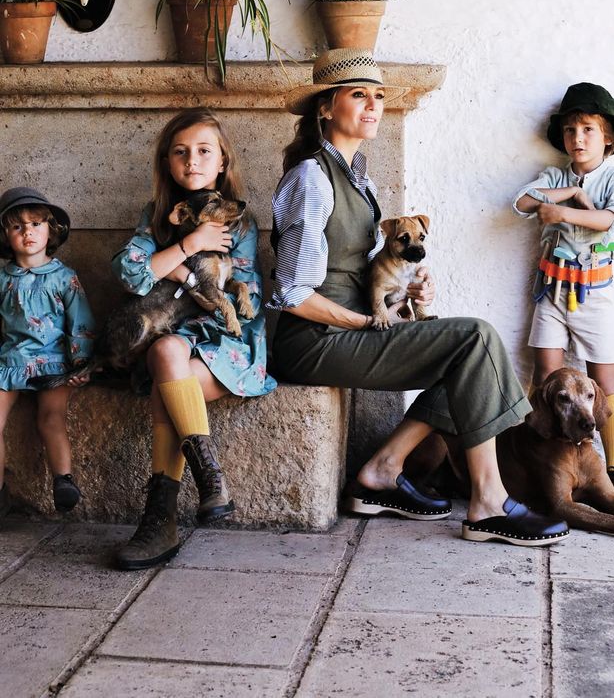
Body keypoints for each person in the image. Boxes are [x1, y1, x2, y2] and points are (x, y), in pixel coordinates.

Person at [270, 48, 568, 547]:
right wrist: (367, 323)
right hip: (315, 339)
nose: (373, 105)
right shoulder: (311, 178)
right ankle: (489, 501)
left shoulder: (355, 177)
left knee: (467, 352)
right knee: (474, 337)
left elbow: (354, 266)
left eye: (379, 96)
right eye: (358, 95)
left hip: (346, 327)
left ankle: (382, 471)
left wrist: (405, 290)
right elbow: (292, 292)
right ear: (325, 108)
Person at [112, 108, 276, 570]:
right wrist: (187, 247)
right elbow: (128, 272)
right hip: (172, 336)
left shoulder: (239, 221)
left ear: (223, 161)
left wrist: (178, 274)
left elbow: (243, 298)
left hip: (227, 345)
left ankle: (159, 517)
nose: (192, 161)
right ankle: (209, 479)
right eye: (180, 152)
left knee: (167, 368)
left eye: (204, 151)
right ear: (168, 163)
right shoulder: (158, 217)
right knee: (166, 351)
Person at [513, 82, 614, 479]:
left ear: (607, 137)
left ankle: (611, 463)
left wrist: (566, 214)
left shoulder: (610, 177)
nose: (578, 138)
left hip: (595, 295)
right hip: (552, 295)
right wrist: (568, 192)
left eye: (588, 129)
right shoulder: (555, 176)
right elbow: (521, 202)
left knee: (604, 382)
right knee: (545, 378)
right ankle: (543, 459)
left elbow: (607, 220)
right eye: (571, 131)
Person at [0, 187, 95, 519]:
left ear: (51, 230)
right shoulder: (2, 278)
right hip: (9, 362)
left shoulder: (64, 278)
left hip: (55, 362)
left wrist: (81, 361)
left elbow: (80, 321)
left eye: (36, 224)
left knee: (51, 418)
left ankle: (63, 480)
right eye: (17, 226)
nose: (28, 232)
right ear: (5, 235)